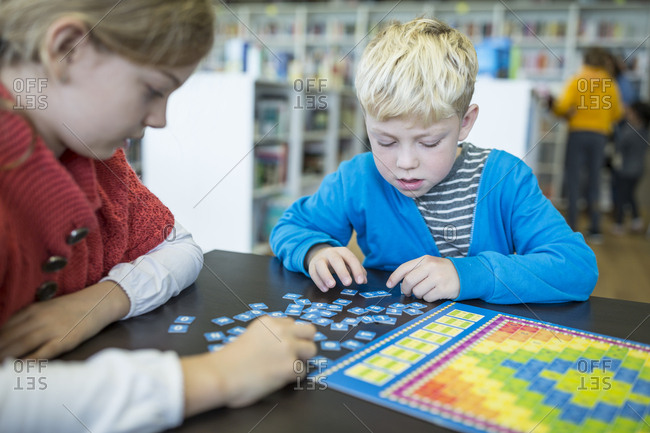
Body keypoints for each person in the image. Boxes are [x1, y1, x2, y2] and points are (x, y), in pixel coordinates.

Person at [0, 1, 316, 432]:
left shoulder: (98, 161)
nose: (161, 119)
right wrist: (215, 377)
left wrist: (98, 302)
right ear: (69, 49)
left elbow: (179, 245)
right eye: (153, 89)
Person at [270, 18, 598, 305]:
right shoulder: (358, 177)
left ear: (465, 123)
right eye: (385, 141)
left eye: (429, 142)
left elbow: (577, 268)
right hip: (392, 349)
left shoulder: (506, 178)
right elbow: (290, 227)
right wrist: (315, 251)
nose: (405, 162)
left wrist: (469, 275)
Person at [550, 47, 624, 243]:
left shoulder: (577, 80)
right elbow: (618, 113)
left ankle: (572, 227)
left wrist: (568, 112)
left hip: (577, 133)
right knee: (595, 180)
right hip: (600, 136)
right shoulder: (610, 84)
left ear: (585, 61)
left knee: (574, 179)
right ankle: (595, 228)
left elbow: (562, 107)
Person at [611, 101, 650, 235]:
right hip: (638, 170)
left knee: (622, 196)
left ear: (637, 115)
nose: (628, 113)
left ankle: (619, 224)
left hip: (625, 170)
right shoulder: (645, 132)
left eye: (631, 112)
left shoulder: (629, 131)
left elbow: (619, 146)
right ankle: (636, 220)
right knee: (630, 195)